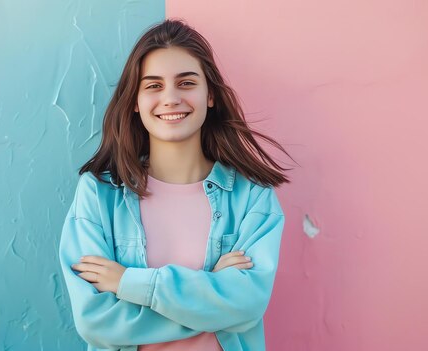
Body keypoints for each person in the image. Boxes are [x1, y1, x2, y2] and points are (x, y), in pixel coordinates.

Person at [59, 19, 291, 351]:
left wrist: (129, 284)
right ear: (135, 101)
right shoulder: (98, 195)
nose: (170, 98)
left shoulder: (253, 197)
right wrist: (213, 296)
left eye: (186, 83)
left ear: (210, 95)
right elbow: (96, 321)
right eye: (153, 85)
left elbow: (248, 304)